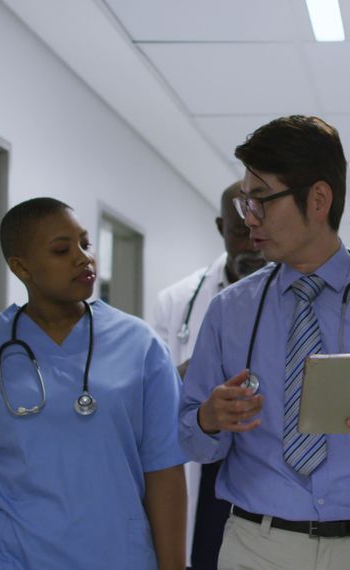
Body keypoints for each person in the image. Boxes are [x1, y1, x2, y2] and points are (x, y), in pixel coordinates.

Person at [178, 115, 350, 570]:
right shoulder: (230, 310)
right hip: (256, 547)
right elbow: (192, 441)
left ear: (318, 199)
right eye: (247, 203)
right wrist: (208, 419)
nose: (250, 221)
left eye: (262, 201)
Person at [0, 198, 188, 569]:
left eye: (85, 244)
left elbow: (164, 471)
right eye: (61, 250)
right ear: (21, 267)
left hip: (108, 551)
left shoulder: (142, 346)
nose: (83, 258)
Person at [153, 182, 265, 569]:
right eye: (239, 233)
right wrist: (195, 373)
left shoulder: (293, 295)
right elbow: (159, 389)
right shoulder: (178, 300)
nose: (252, 245)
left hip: (265, 450)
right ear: (221, 228)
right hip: (204, 452)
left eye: (257, 232)